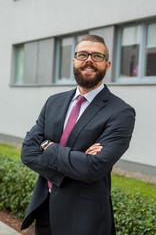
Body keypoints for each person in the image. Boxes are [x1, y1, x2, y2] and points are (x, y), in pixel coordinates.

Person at [21, 34, 135, 235]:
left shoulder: (121, 112)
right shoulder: (53, 102)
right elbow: (28, 152)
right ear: (74, 61)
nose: (89, 60)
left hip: (84, 219)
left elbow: (93, 168)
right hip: (44, 209)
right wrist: (77, 159)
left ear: (107, 65)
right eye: (83, 54)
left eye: (97, 56)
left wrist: (48, 147)